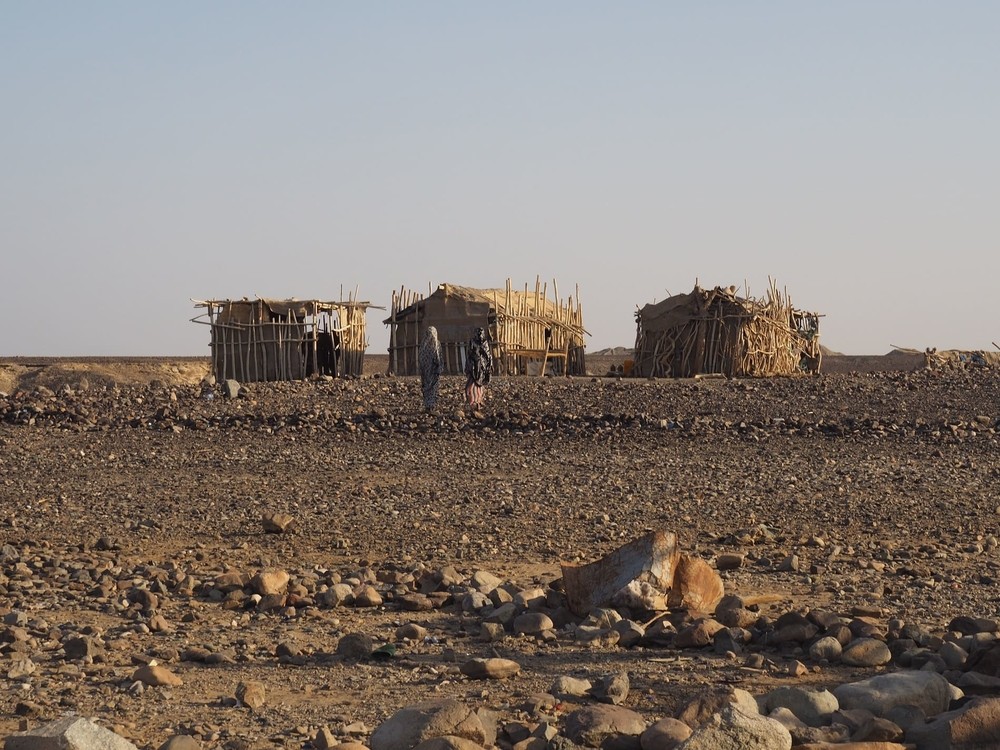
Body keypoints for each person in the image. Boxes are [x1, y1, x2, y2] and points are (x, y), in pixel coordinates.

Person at [464, 326, 493, 410]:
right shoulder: (472, 342)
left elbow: (487, 355)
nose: (479, 336)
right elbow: (469, 353)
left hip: (482, 368)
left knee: (480, 385)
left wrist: (488, 366)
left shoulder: (484, 343)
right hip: (473, 366)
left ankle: (478, 401)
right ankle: (472, 402)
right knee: (470, 386)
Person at [417, 326, 444, 413]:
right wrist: (439, 367)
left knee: (427, 387)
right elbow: (438, 357)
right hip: (431, 371)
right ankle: (430, 406)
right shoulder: (436, 345)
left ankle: (428, 406)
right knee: (431, 387)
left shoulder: (423, 345)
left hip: (427, 371)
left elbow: (420, 358)